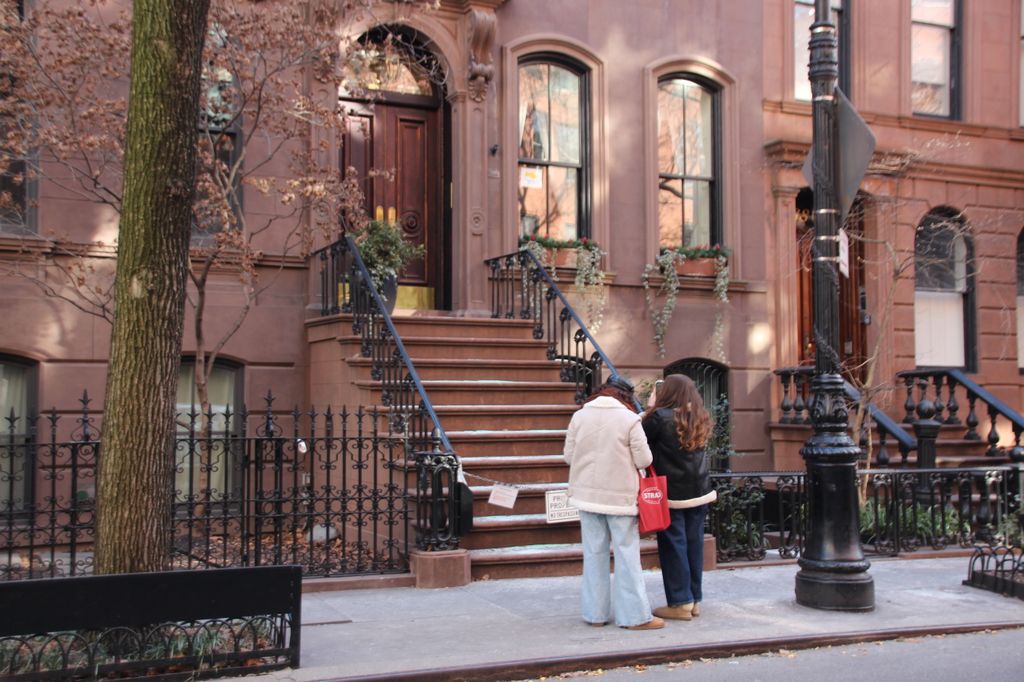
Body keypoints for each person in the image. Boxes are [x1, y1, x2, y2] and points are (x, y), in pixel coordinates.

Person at [563, 375, 664, 630]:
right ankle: (633, 617)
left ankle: (595, 614)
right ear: (626, 396)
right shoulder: (629, 419)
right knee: (627, 555)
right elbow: (643, 459)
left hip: (586, 497)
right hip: (620, 497)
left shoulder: (580, 416)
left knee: (594, 554)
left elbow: (568, 456)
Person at [642, 374, 717, 621]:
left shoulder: (659, 418)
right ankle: (694, 599)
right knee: (694, 544)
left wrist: (650, 407)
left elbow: (640, 443)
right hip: (699, 491)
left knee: (673, 545)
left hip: (671, 493)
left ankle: (680, 602)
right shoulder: (700, 415)